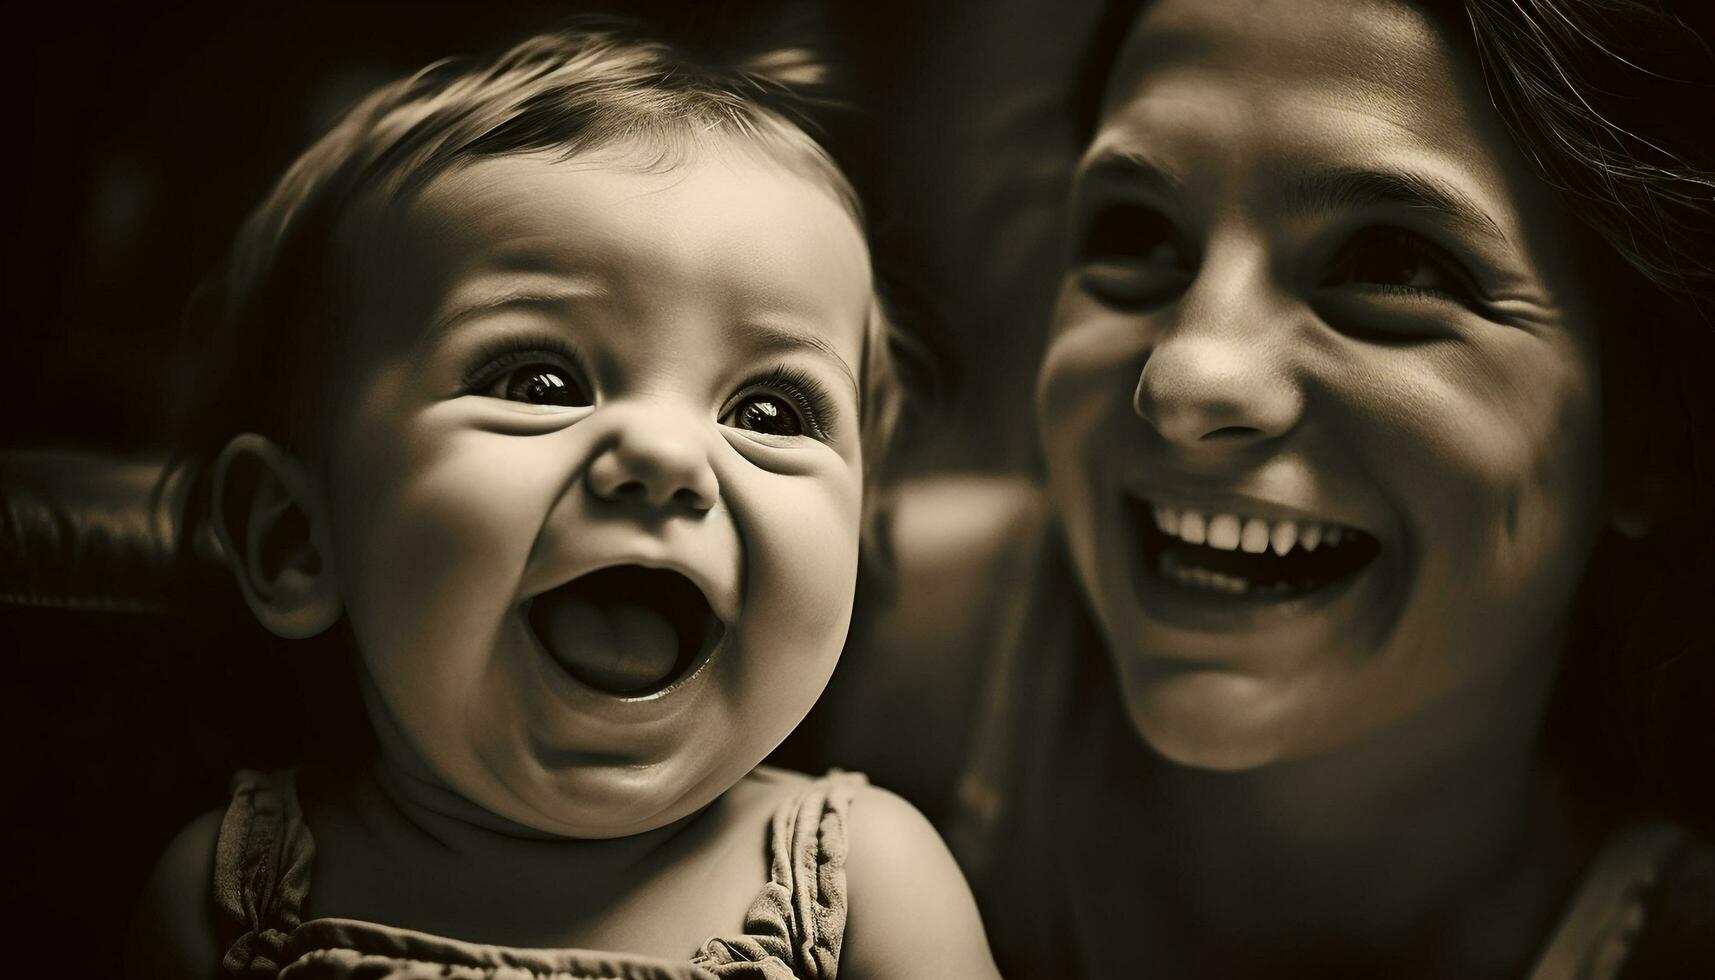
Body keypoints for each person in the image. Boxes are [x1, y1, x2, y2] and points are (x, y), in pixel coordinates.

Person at [848, 0, 1715, 976]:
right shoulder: (820, 648)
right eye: (1135, 233)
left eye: (1389, 262)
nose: (1185, 378)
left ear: (1658, 428)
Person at [126, 21, 998, 980]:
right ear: (295, 537)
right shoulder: (230, 897)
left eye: (769, 408)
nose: (667, 455)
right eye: (539, 383)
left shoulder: (871, 882)